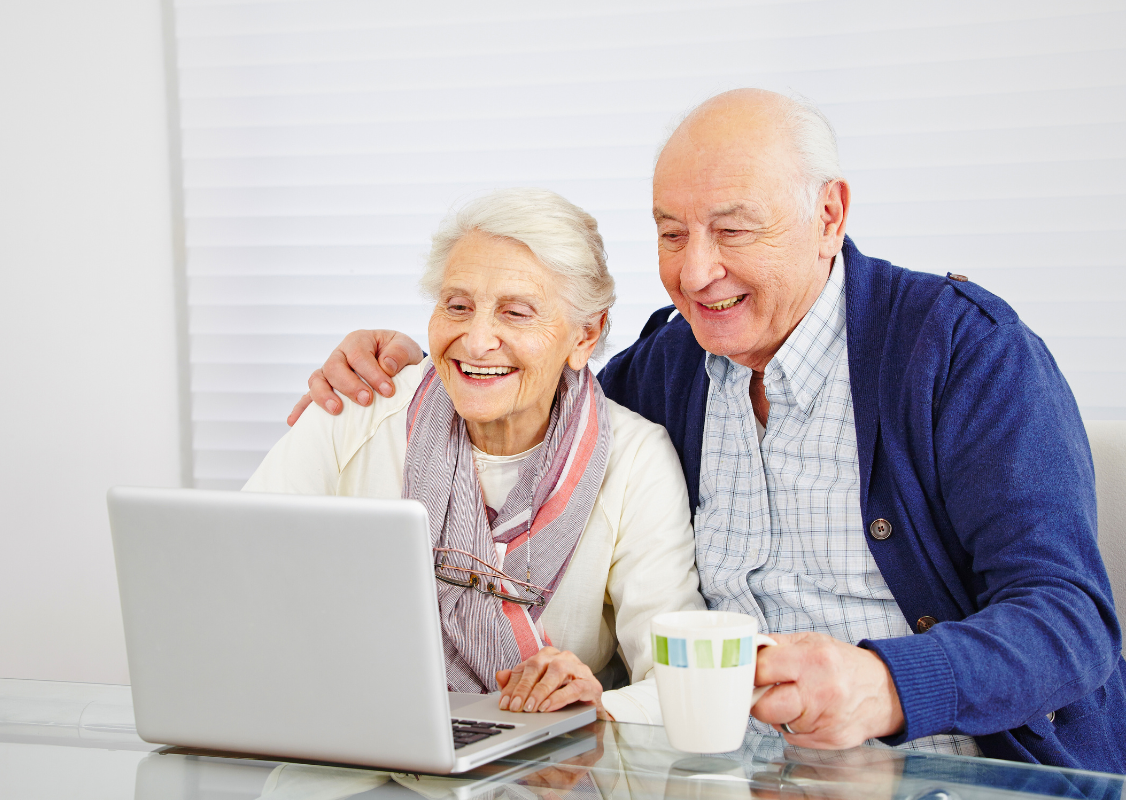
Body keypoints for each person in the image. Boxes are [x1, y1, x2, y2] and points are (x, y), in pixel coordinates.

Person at [286, 90, 1126, 773]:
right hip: (719, 778)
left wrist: (889, 682)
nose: (695, 272)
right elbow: (543, 404)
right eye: (670, 232)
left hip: (954, 769)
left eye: (732, 229)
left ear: (829, 215)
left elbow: (1073, 621)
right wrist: (411, 371)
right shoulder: (668, 368)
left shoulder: (964, 354)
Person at [246, 187, 704, 724]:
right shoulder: (356, 409)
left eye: (516, 312)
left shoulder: (636, 459)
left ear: (586, 334)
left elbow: (681, 682)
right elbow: (239, 580)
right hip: (343, 729)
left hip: (547, 766)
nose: (476, 338)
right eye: (457, 306)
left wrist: (597, 706)